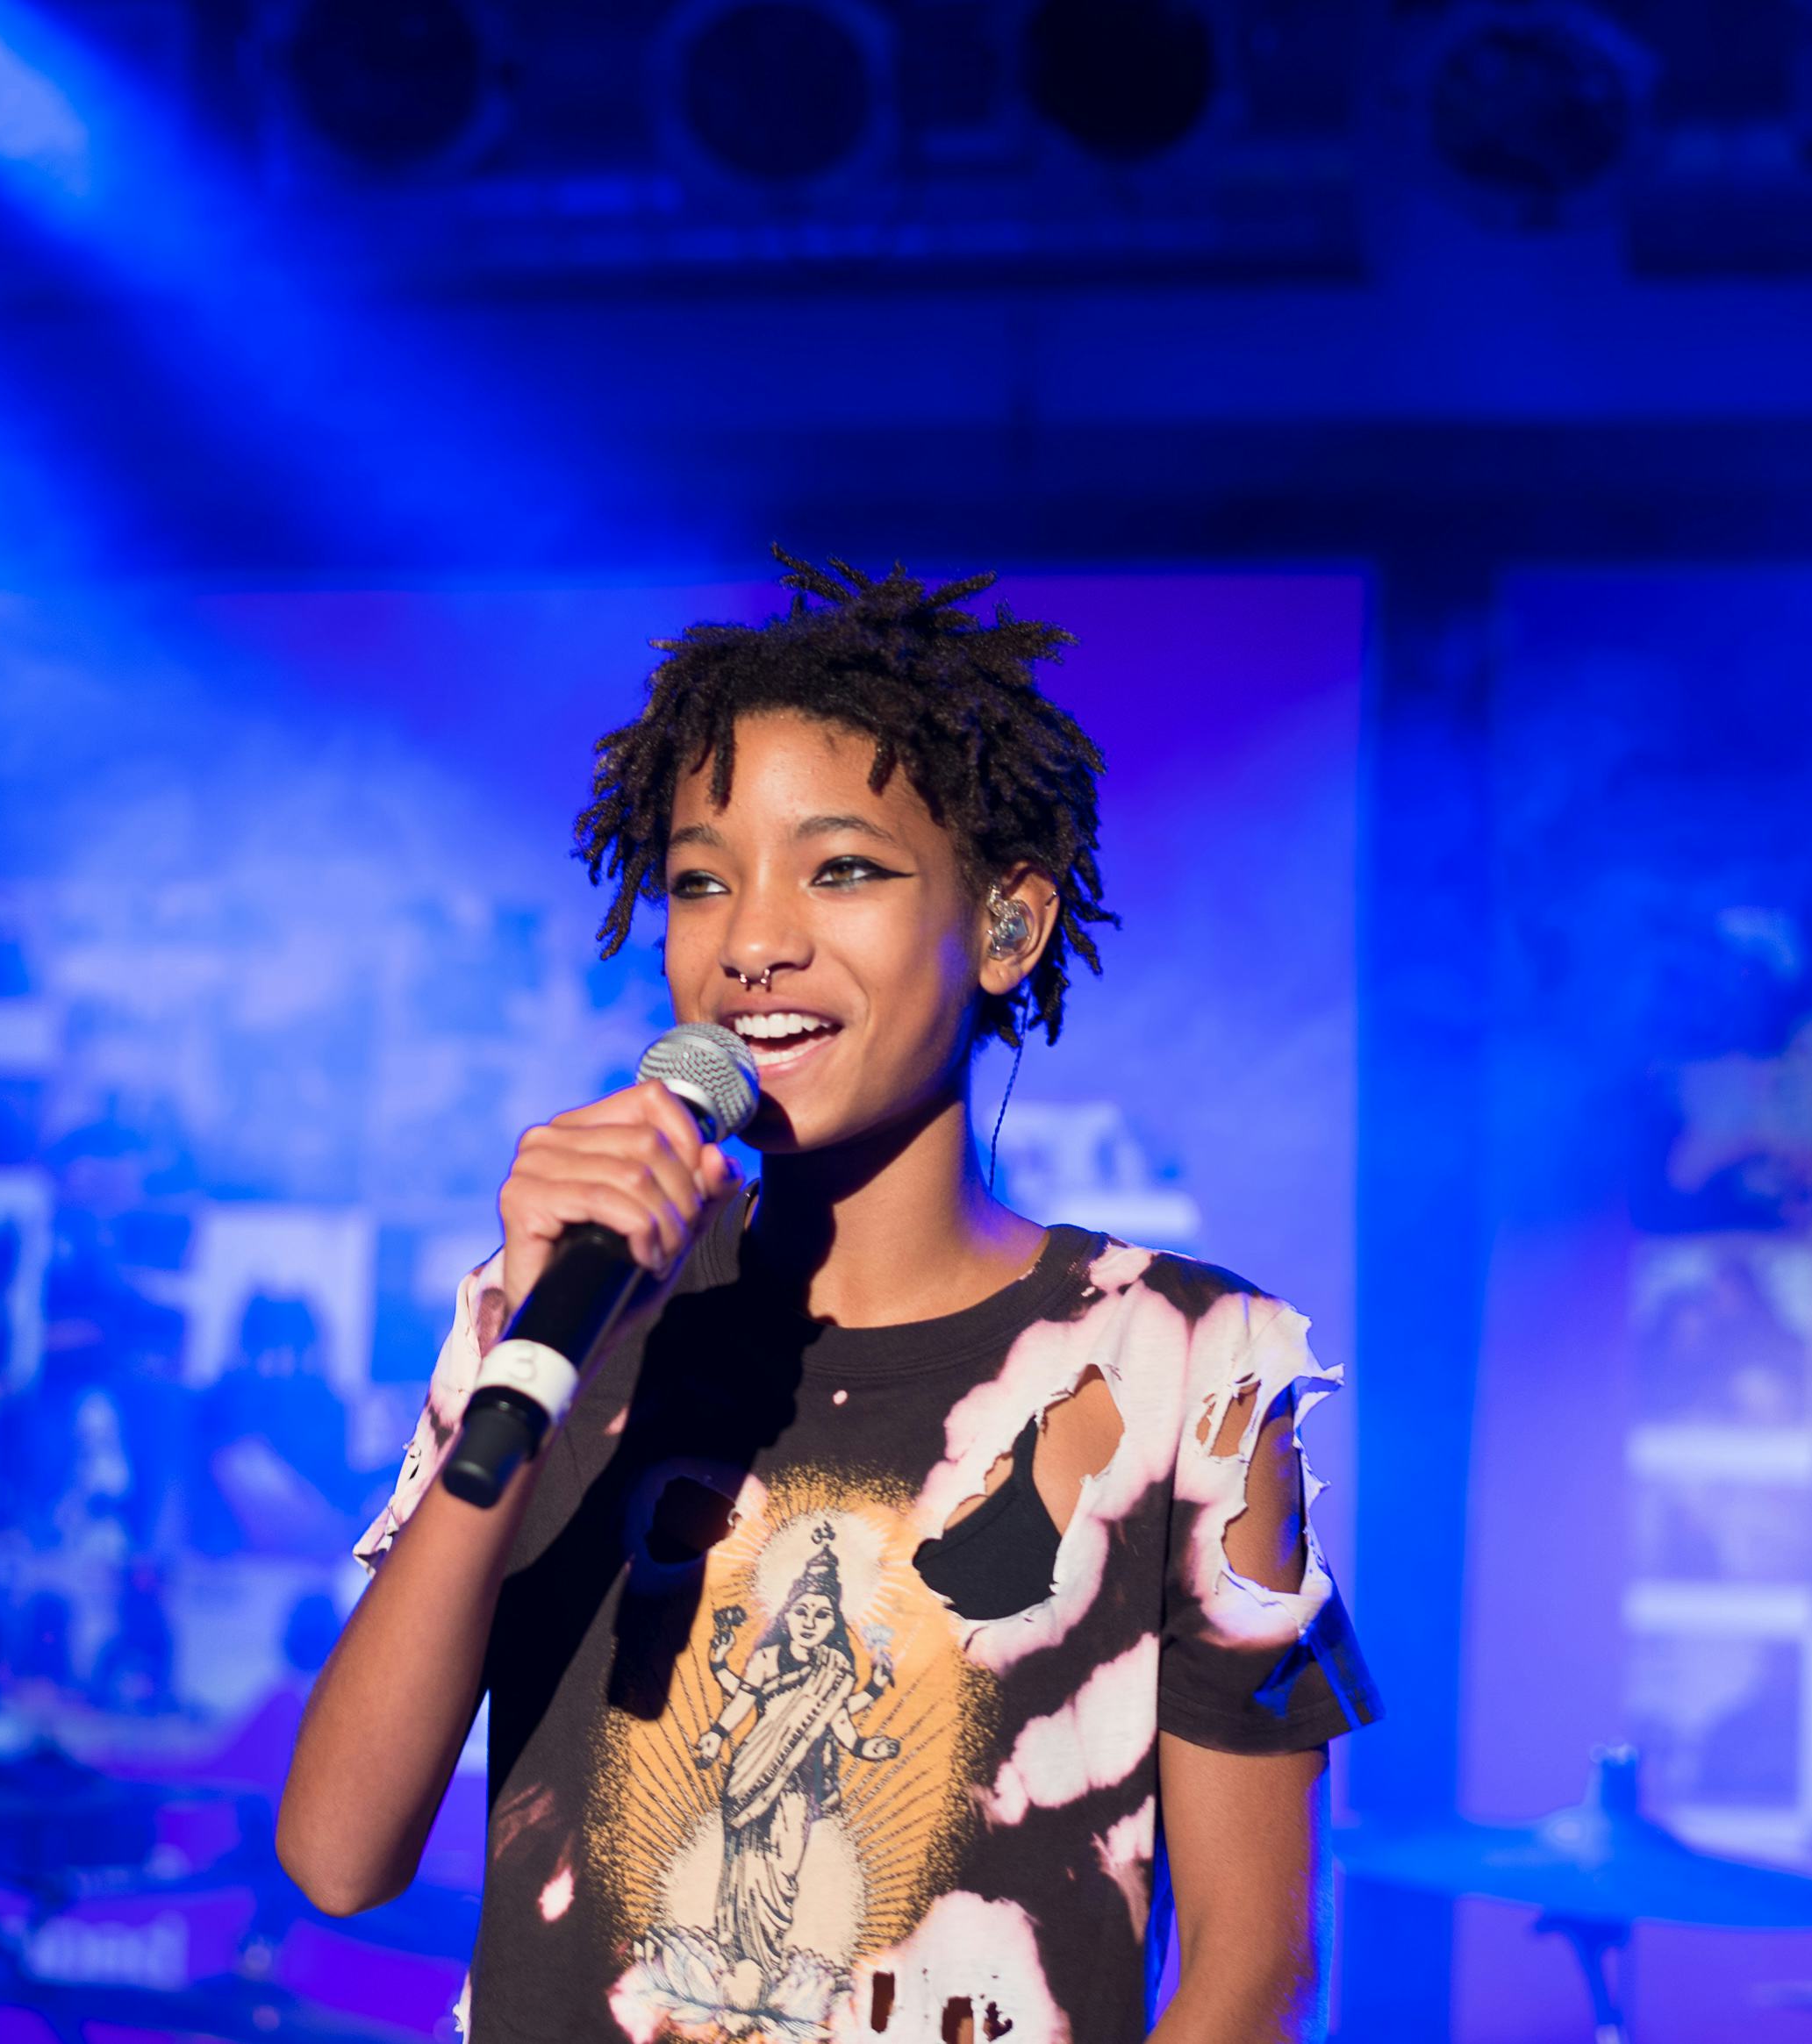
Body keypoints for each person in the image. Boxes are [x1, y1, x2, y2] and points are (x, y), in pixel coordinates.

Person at [277, 554, 1372, 2044]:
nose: (752, 941)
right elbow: (338, 1853)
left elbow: (1254, 1972)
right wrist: (537, 1349)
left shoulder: (1186, 1363)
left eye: (840, 868)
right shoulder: (558, 1306)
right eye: (700, 879)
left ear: (1007, 929)